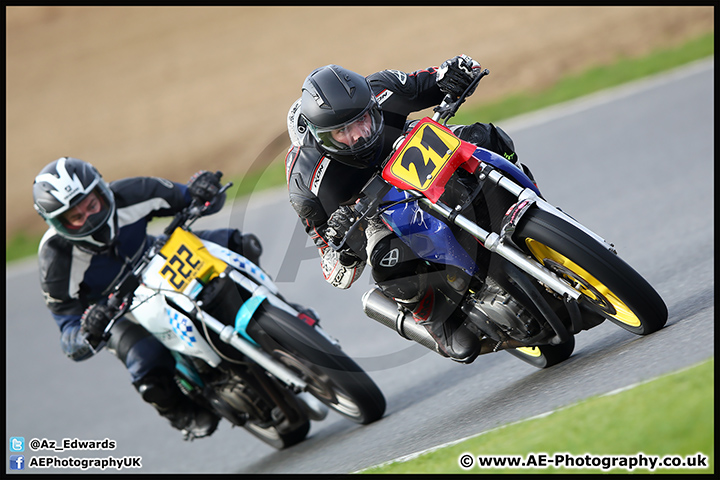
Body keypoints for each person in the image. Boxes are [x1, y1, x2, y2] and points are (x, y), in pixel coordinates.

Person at [285, 55, 525, 363]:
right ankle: (435, 318)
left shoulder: (383, 88)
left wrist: (456, 72)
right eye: (342, 131)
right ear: (320, 138)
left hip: (414, 150)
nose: (359, 134)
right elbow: (334, 270)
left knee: (486, 137)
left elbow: (438, 78)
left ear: (372, 105)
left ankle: (530, 212)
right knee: (386, 261)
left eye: (362, 119)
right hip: (372, 211)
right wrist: (343, 240)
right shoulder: (307, 183)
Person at [33, 157, 264, 440]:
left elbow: (195, 199)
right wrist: (89, 328)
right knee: (146, 362)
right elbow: (68, 334)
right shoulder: (55, 258)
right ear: (59, 224)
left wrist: (206, 188)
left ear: (102, 191)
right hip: (116, 308)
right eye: (76, 217)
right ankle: (180, 412)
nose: (89, 218)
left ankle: (275, 312)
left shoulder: (133, 192)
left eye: (91, 205)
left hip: (159, 257)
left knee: (238, 243)